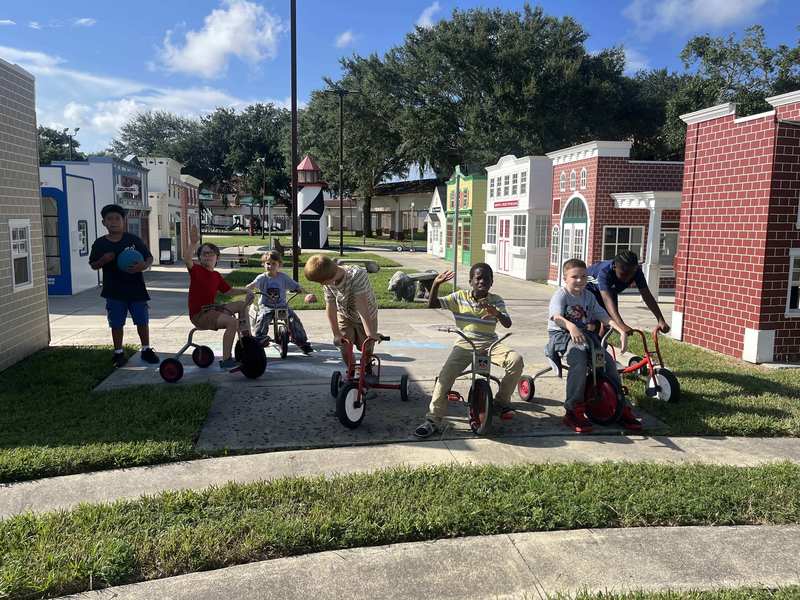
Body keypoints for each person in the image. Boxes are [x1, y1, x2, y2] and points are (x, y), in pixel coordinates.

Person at [414, 263, 524, 438]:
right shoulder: (460, 297)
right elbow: (432, 304)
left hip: (490, 344)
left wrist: (496, 313)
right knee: (445, 377)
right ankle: (433, 419)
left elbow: (507, 323)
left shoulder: (496, 300)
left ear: (492, 282)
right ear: (471, 281)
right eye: (478, 278)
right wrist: (435, 285)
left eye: (486, 278)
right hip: (465, 343)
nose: (482, 281)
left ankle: (500, 403)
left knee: (516, 360)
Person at [549, 258, 642, 433]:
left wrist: (620, 330)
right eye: (574, 277)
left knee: (608, 363)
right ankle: (573, 409)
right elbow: (556, 316)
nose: (579, 280)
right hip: (561, 334)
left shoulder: (589, 296)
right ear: (565, 278)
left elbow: (603, 316)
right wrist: (570, 326)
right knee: (580, 360)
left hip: (584, 334)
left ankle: (619, 404)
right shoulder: (561, 295)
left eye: (583, 276)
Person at [88, 204, 160, 368]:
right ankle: (118, 352)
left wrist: (143, 265)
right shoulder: (100, 244)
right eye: (109, 219)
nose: (113, 222)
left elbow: (148, 257)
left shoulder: (133, 240)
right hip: (114, 291)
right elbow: (93, 265)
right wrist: (103, 261)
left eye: (117, 219)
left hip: (136, 289)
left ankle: (146, 349)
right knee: (116, 323)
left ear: (123, 221)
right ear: (103, 222)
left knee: (142, 321)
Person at [183, 227, 254, 369]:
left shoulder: (216, 276)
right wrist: (193, 243)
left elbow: (228, 291)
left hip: (212, 309)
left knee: (241, 305)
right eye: (204, 254)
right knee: (232, 322)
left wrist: (246, 291)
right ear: (200, 257)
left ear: (217, 257)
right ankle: (226, 360)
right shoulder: (197, 271)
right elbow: (187, 259)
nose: (207, 256)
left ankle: (247, 339)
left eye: (211, 253)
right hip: (200, 314)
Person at [303, 254, 378, 367]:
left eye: (321, 282)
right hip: (345, 314)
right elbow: (331, 306)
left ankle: (366, 368)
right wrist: (336, 334)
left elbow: (361, 305)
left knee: (366, 346)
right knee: (344, 346)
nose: (321, 284)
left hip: (367, 314)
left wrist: (370, 333)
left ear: (329, 276)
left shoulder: (357, 275)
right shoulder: (328, 282)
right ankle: (351, 371)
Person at [586, 249, 670, 335]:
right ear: (615, 267)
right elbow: (607, 300)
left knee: (610, 325)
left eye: (631, 274)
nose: (627, 278)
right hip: (588, 290)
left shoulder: (636, 272)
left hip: (610, 290)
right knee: (595, 322)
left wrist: (660, 320)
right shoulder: (604, 272)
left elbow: (647, 296)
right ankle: (588, 345)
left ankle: (599, 346)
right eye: (623, 274)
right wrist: (621, 324)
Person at [246, 250, 313, 354]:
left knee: (293, 319)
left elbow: (295, 285)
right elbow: (253, 284)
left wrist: (303, 291)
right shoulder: (262, 278)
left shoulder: (283, 277)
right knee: (263, 318)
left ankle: (301, 341)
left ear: (279, 265)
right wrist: (248, 289)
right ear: (263, 264)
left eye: (274, 264)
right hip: (266, 305)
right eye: (268, 263)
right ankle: (260, 338)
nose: (270, 266)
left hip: (282, 306)